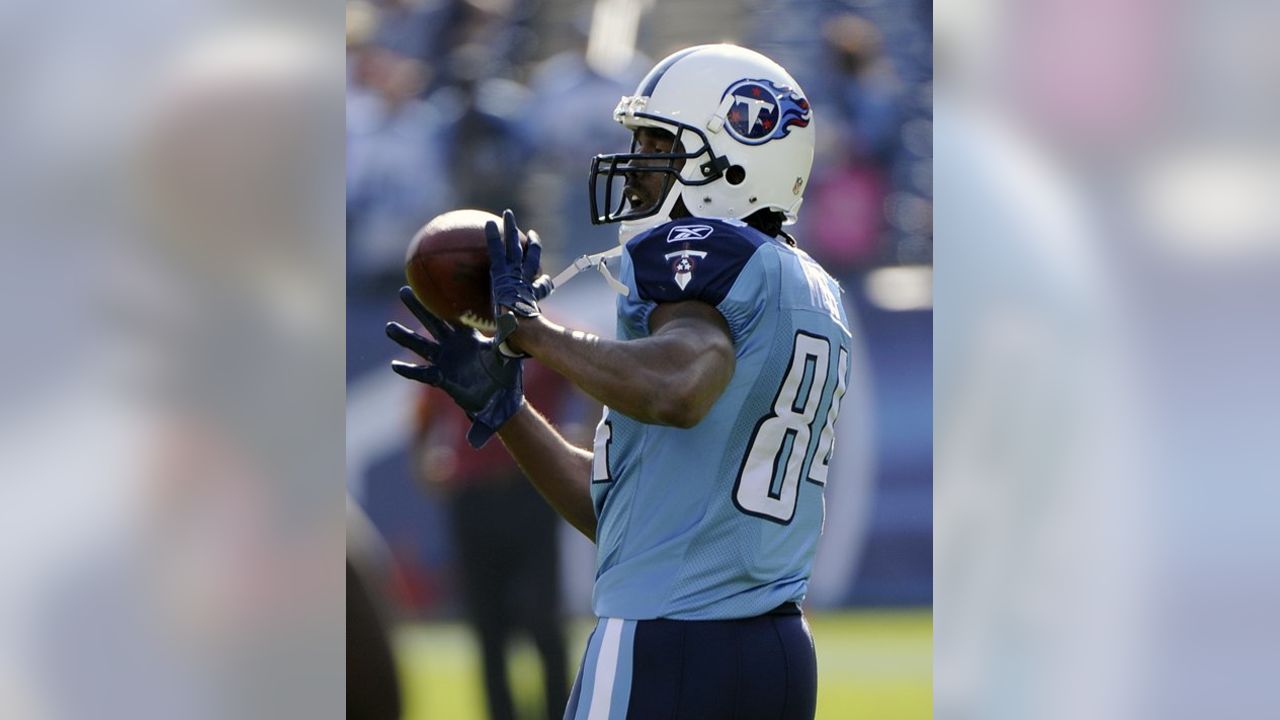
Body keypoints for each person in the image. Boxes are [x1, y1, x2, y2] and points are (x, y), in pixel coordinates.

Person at [387, 44, 849, 719]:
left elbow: (680, 386)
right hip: (771, 651)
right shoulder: (805, 284)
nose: (635, 170)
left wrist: (534, 332)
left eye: (660, 143)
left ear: (732, 156)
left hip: (666, 640)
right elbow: (629, 518)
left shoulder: (700, 251)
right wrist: (508, 410)